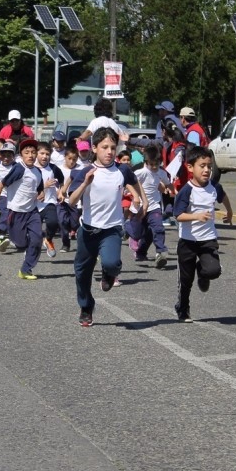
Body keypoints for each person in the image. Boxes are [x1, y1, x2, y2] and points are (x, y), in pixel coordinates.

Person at [68, 127, 147, 327]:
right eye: (104, 147)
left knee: (111, 262)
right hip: (87, 230)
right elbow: (71, 201)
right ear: (94, 148)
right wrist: (85, 183)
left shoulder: (122, 170)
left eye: (113, 147)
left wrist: (143, 200)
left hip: (111, 229)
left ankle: (109, 273)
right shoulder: (86, 171)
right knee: (82, 272)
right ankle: (86, 307)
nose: (109, 151)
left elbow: (135, 182)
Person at [172, 147, 227, 322]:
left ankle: (203, 274)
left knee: (213, 270)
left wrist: (230, 212)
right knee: (186, 280)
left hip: (208, 239)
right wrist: (197, 216)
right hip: (188, 241)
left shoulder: (213, 187)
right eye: (202, 166)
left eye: (209, 166)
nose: (206, 170)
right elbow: (178, 215)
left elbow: (223, 195)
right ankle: (183, 308)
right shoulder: (186, 191)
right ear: (190, 168)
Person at [0, 139, 44, 279]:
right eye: (27, 153)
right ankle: (22, 245)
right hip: (16, 212)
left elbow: (39, 186)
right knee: (20, 243)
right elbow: (1, 184)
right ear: (21, 155)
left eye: (33, 152)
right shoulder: (19, 169)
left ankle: (26, 269)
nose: (31, 155)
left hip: (32, 212)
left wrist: (41, 193)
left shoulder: (37, 171)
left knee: (37, 239)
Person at [127, 145, 173, 267]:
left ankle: (160, 252)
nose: (154, 167)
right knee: (139, 233)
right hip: (139, 207)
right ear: (146, 162)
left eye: (156, 164)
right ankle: (128, 229)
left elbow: (168, 184)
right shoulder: (140, 173)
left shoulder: (161, 173)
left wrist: (175, 192)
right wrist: (134, 195)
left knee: (158, 229)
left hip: (154, 206)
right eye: (151, 164)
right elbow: (130, 184)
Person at [35, 141, 64, 258]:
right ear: (36, 153)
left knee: (53, 223)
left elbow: (60, 181)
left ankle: (48, 239)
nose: (44, 156)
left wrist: (60, 192)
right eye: (42, 153)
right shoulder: (31, 168)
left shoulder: (53, 168)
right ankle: (31, 251)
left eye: (47, 154)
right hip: (34, 204)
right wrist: (44, 186)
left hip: (49, 202)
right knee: (34, 232)